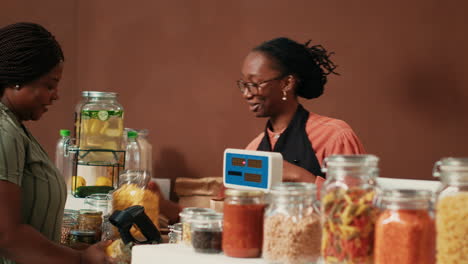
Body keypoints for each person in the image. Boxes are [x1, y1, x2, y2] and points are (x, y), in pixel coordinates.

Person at [0, 22, 113, 264]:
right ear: (19, 79)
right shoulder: (3, 131)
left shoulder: (15, 128)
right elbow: (6, 235)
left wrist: (72, 249)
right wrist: (81, 260)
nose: (56, 95)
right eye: (49, 85)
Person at [238, 37, 365, 187]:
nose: (246, 94)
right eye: (244, 84)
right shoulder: (253, 148)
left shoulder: (335, 136)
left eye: (255, 83)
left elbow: (357, 203)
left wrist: (299, 176)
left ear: (287, 83)